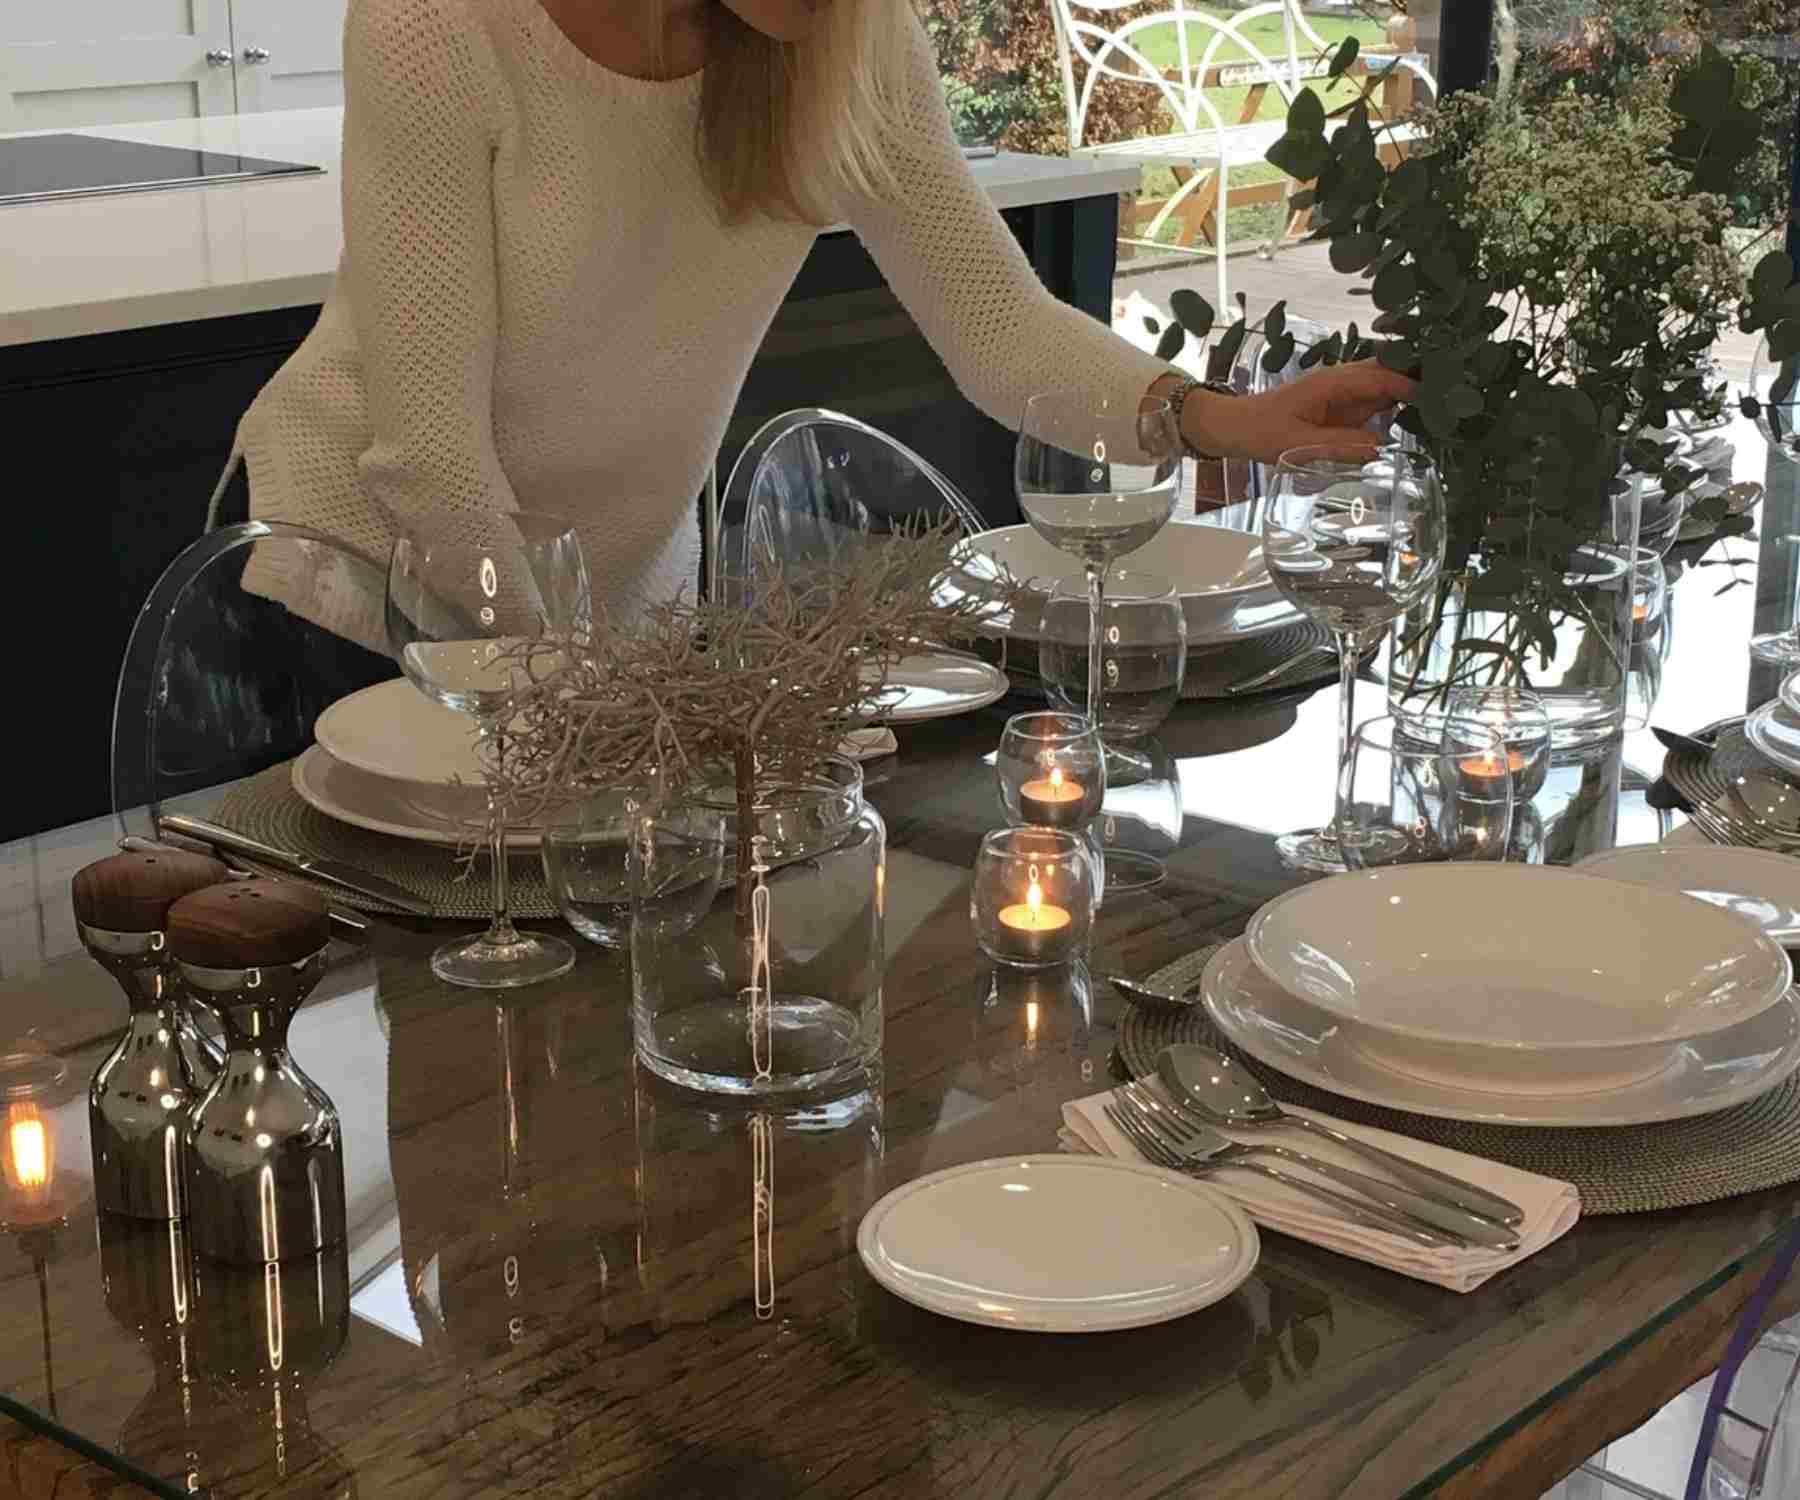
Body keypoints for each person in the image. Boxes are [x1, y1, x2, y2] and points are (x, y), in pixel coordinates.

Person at [224, 0, 1410, 643]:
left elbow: (995, 317)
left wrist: (1223, 420)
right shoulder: (437, 26)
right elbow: (430, 455)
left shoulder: (845, 40)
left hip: (606, 621)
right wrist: (554, 690)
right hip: (362, 578)